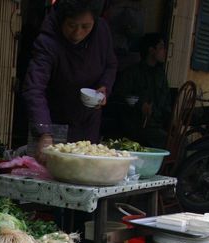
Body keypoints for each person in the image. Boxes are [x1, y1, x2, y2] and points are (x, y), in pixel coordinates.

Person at [22, 0, 118, 159]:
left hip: (88, 120)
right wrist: (44, 132)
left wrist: (104, 86)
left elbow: (110, 64)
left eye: (85, 27)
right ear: (61, 20)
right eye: (71, 25)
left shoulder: (102, 32)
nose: (77, 33)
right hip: (53, 121)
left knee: (87, 168)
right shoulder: (47, 41)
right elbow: (34, 88)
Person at [112, 33, 171, 148]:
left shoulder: (160, 75)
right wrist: (140, 105)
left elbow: (166, 101)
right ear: (151, 50)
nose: (165, 51)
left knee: (181, 142)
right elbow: (119, 96)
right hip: (136, 125)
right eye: (161, 47)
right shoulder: (132, 72)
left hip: (157, 124)